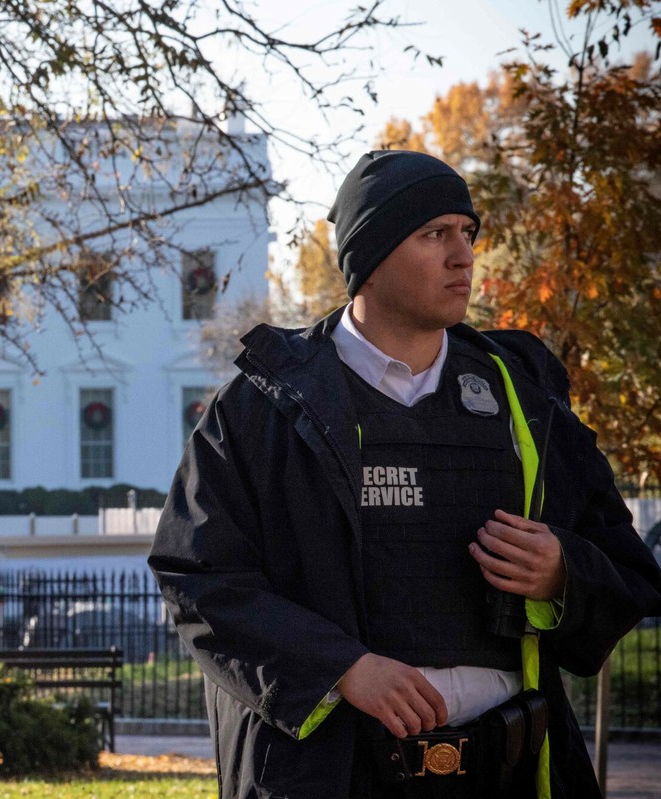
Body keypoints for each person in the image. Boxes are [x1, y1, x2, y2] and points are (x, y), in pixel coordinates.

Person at [148, 150, 661, 799]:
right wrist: (343, 668)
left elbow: (628, 570)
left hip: (506, 770)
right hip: (331, 773)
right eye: (434, 234)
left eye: (467, 232)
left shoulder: (525, 397)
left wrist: (563, 572)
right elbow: (197, 575)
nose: (464, 256)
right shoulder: (262, 407)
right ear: (369, 257)